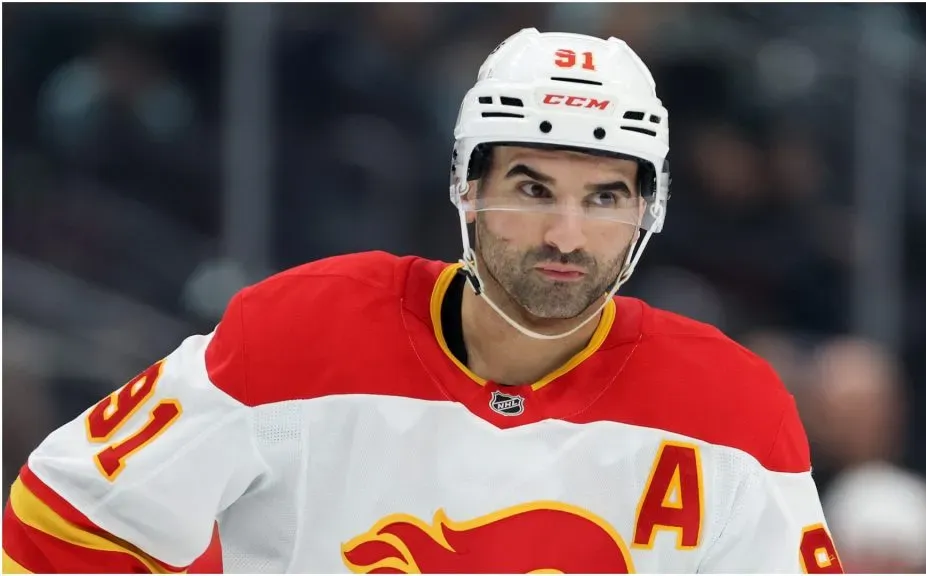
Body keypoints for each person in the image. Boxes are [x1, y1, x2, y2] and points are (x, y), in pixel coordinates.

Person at [2, 29, 841, 574]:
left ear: (647, 214)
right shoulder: (300, 332)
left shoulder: (731, 410)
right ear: (466, 190)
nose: (566, 235)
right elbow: (60, 523)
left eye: (605, 198)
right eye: (531, 188)